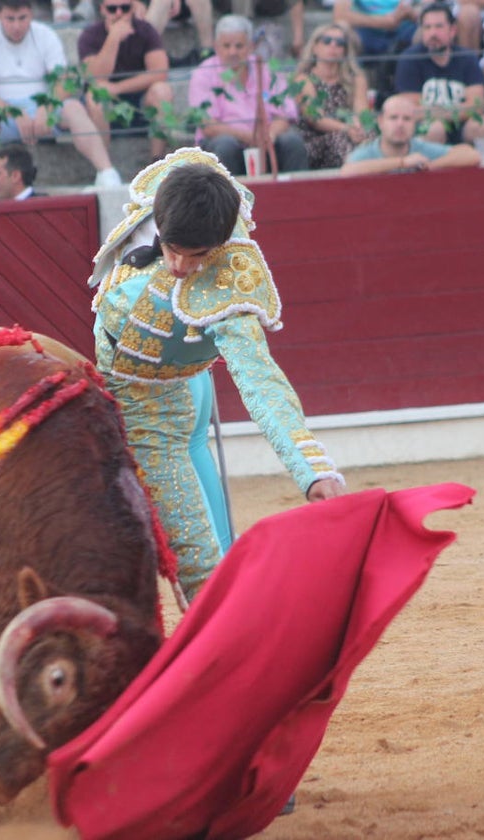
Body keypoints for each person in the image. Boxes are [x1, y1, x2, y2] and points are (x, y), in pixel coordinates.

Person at [87, 147, 346, 600]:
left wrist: (312, 470)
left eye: (197, 255)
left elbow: (260, 380)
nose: (179, 266)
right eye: (170, 247)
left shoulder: (230, 287)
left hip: (157, 415)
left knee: (201, 570)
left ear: (221, 242)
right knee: (216, 552)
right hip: (186, 387)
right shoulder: (182, 187)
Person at [0, 0, 123, 188]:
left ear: (31, 14)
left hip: (43, 108)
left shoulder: (46, 35)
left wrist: (47, 107)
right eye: (10, 19)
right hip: (1, 113)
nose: (16, 25)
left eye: (22, 18)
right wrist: (12, 111)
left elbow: (63, 81)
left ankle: (106, 171)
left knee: (74, 108)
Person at [187, 14, 309, 175]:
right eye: (226, 46)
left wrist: (269, 135)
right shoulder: (203, 74)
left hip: (266, 141)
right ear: (216, 47)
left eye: (239, 46)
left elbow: (285, 113)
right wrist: (249, 136)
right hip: (227, 142)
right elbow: (207, 125)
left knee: (292, 142)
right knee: (225, 145)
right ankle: (229, 199)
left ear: (250, 47)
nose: (233, 52)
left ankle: (298, 197)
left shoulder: (264, 69)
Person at [394, 2, 484, 152]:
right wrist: (457, 111)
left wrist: (436, 112)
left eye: (439, 27)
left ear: (452, 30)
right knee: (434, 128)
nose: (433, 33)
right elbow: (412, 111)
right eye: (427, 27)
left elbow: (476, 106)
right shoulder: (410, 60)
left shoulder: (467, 58)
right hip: (426, 127)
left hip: (463, 125)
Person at [78, 0, 174, 161]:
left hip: (139, 101)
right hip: (105, 105)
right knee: (95, 97)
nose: (119, 13)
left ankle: (157, 162)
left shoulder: (145, 30)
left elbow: (160, 73)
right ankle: (105, 168)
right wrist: (113, 38)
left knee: (162, 91)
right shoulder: (90, 35)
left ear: (133, 8)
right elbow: (96, 77)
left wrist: (118, 88)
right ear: (102, 9)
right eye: (112, 9)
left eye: (125, 8)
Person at [292, 22, 373, 169]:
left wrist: (358, 127)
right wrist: (346, 129)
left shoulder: (356, 78)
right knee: (340, 140)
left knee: (372, 135)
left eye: (340, 43)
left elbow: (362, 111)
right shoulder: (303, 79)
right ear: (315, 47)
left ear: (345, 50)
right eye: (327, 41)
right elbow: (316, 119)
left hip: (350, 130)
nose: (333, 46)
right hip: (316, 137)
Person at [341, 91, 481, 174]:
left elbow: (471, 155)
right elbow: (347, 171)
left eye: (407, 119)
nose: (400, 124)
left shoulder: (420, 148)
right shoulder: (369, 151)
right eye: (393, 118)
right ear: (381, 122)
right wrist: (402, 163)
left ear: (414, 124)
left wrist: (432, 166)